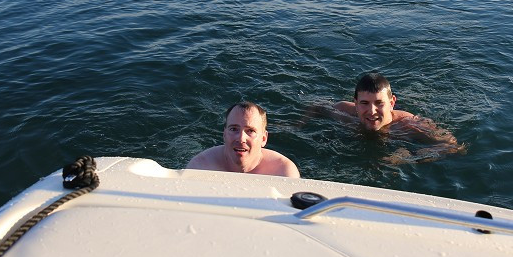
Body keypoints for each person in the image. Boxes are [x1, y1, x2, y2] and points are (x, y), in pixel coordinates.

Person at [331, 72, 465, 164]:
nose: (372, 111)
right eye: (364, 103)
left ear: (391, 103)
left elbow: (454, 146)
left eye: (379, 103)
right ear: (355, 103)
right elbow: (316, 107)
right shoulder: (343, 110)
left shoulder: (409, 124)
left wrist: (410, 157)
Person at [187, 101, 300, 177]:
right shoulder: (200, 167)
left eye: (250, 131)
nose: (241, 138)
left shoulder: (283, 172)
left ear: (264, 138)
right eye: (234, 129)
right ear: (224, 134)